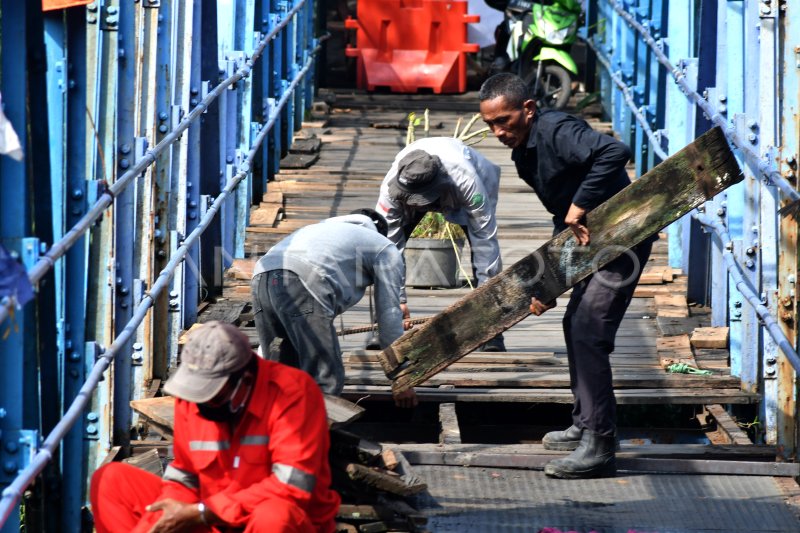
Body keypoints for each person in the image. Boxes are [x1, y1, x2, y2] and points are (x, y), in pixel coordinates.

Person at [478, 72, 653, 479]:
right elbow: (565, 222)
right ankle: (584, 420)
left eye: (504, 120)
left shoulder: (558, 130)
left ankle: (600, 444)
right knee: (574, 322)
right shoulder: (524, 154)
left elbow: (615, 151)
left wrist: (580, 204)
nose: (498, 132)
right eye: (490, 125)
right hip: (593, 242)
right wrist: (551, 281)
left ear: (528, 109)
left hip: (622, 240)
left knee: (590, 329)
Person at [90, 321, 341, 532]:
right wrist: (163, 516)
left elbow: (291, 487)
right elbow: (184, 476)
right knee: (111, 480)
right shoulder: (193, 399)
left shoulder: (292, 393)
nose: (202, 403)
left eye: (212, 393)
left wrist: (202, 511)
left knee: (274, 515)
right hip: (211, 518)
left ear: (245, 380)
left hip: (277, 521)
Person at [250, 209, 417, 407]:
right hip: (302, 279)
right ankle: (316, 436)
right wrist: (401, 376)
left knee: (280, 375)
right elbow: (388, 315)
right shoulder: (383, 247)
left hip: (261, 276)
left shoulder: (322, 231)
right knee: (325, 379)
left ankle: (278, 433)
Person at [375, 136, 506, 352]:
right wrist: (397, 301)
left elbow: (485, 241)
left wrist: (486, 308)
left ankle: (492, 332)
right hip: (422, 189)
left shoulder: (467, 181)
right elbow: (388, 248)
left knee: (482, 248)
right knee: (383, 249)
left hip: (470, 186)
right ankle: (382, 327)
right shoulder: (391, 190)